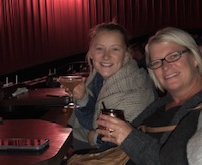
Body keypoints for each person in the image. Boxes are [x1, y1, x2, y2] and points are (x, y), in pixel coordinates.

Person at [94, 27, 202, 164]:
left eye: (174, 56)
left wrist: (129, 138)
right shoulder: (162, 103)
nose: (165, 67)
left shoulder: (198, 111)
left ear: (194, 57)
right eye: (156, 62)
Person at [67, 22, 156, 152]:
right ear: (91, 53)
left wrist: (94, 137)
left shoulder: (137, 89)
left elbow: (111, 142)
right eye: (99, 49)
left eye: (115, 49)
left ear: (126, 54)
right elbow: (92, 121)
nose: (106, 56)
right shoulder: (97, 78)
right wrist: (82, 98)